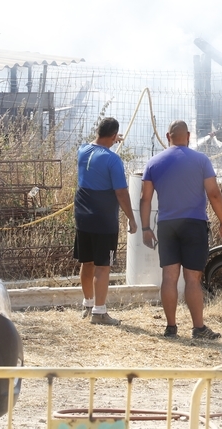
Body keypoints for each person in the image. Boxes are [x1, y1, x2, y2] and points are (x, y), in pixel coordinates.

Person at [140, 120, 222, 340]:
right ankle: (198, 328)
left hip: (167, 225)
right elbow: (215, 194)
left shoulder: (153, 162)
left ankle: (171, 328)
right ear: (188, 136)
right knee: (192, 279)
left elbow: (145, 199)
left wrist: (145, 228)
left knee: (169, 277)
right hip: (194, 224)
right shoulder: (201, 160)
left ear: (168, 136)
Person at [74, 117, 138, 326]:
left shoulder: (82, 150)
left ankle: (88, 304)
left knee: (87, 262)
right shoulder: (113, 160)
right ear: (112, 136)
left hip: (82, 217)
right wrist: (131, 218)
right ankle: (99, 313)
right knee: (103, 266)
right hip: (103, 220)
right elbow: (121, 192)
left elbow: (98, 145)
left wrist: (111, 139)